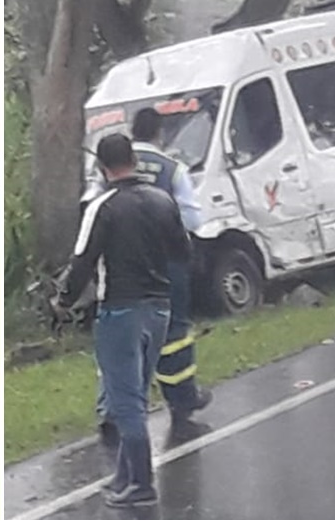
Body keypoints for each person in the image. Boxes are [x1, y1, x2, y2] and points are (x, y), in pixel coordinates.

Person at [57, 133, 190, 508]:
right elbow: (183, 251)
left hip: (120, 311)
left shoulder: (102, 207)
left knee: (125, 401)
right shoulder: (162, 200)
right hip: (159, 308)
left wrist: (62, 302)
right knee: (137, 392)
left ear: (102, 168)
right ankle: (124, 476)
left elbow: (82, 262)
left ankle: (142, 484)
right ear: (133, 159)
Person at [87, 109, 212, 438]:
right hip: (167, 262)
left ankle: (114, 410)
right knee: (174, 333)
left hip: (120, 264)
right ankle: (182, 401)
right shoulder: (172, 168)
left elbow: (92, 209)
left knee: (119, 338)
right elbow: (192, 220)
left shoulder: (107, 168)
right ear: (160, 133)